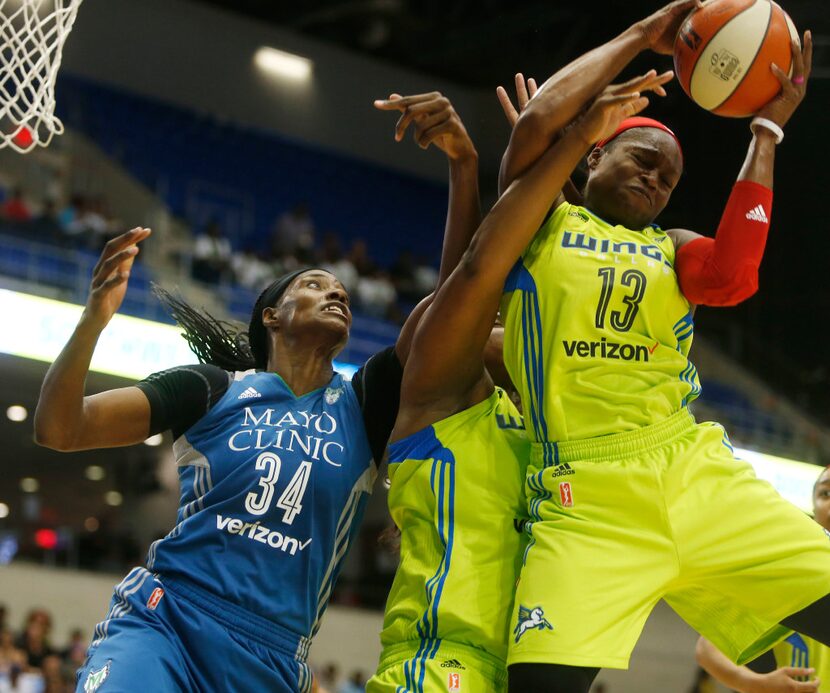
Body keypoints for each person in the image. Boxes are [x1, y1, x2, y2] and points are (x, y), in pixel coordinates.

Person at [33, 91, 480, 692]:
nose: (337, 293)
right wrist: (92, 321)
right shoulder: (211, 390)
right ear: (272, 315)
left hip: (271, 658)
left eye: (342, 290)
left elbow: (456, 306)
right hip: (169, 619)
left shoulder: (365, 405)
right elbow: (61, 430)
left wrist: (463, 165)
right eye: (316, 284)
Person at [493, 2, 827, 691]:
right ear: (594, 156)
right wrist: (643, 36)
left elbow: (734, 275)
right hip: (584, 495)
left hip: (691, 469)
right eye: (643, 160)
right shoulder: (542, 218)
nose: (655, 179)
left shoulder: (670, 248)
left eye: (668, 179)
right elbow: (533, 129)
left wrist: (766, 130)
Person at [366, 74, 663, 692]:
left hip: (533, 671)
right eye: (501, 319)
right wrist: (495, 166)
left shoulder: (566, 442)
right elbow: (472, 279)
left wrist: (567, 200)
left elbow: (566, 310)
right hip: (440, 668)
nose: (509, 326)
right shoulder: (448, 400)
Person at [695, 466, 830, 693]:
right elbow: (707, 649)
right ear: (813, 504)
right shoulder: (789, 568)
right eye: (826, 494)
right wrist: (757, 684)